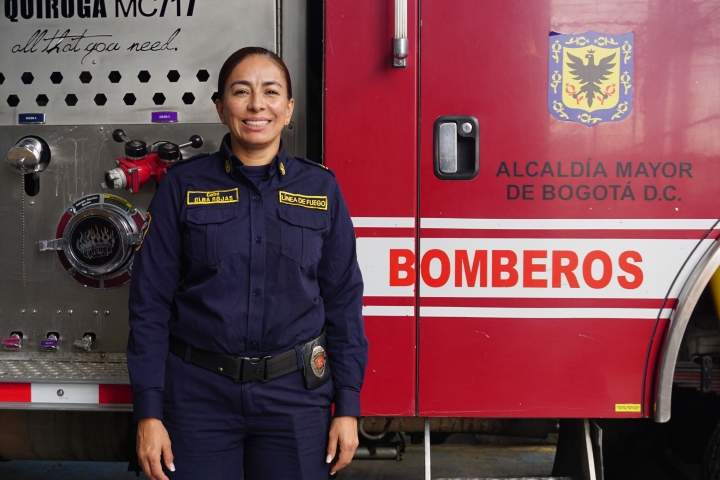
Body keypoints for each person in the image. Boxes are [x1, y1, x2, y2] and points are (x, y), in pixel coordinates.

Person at [127, 46, 368, 480]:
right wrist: (148, 412)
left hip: (294, 401)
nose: (257, 104)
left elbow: (344, 302)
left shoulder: (322, 188)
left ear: (289, 108)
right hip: (197, 398)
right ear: (221, 108)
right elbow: (149, 303)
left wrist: (347, 405)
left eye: (271, 92)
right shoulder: (183, 186)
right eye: (241, 92)